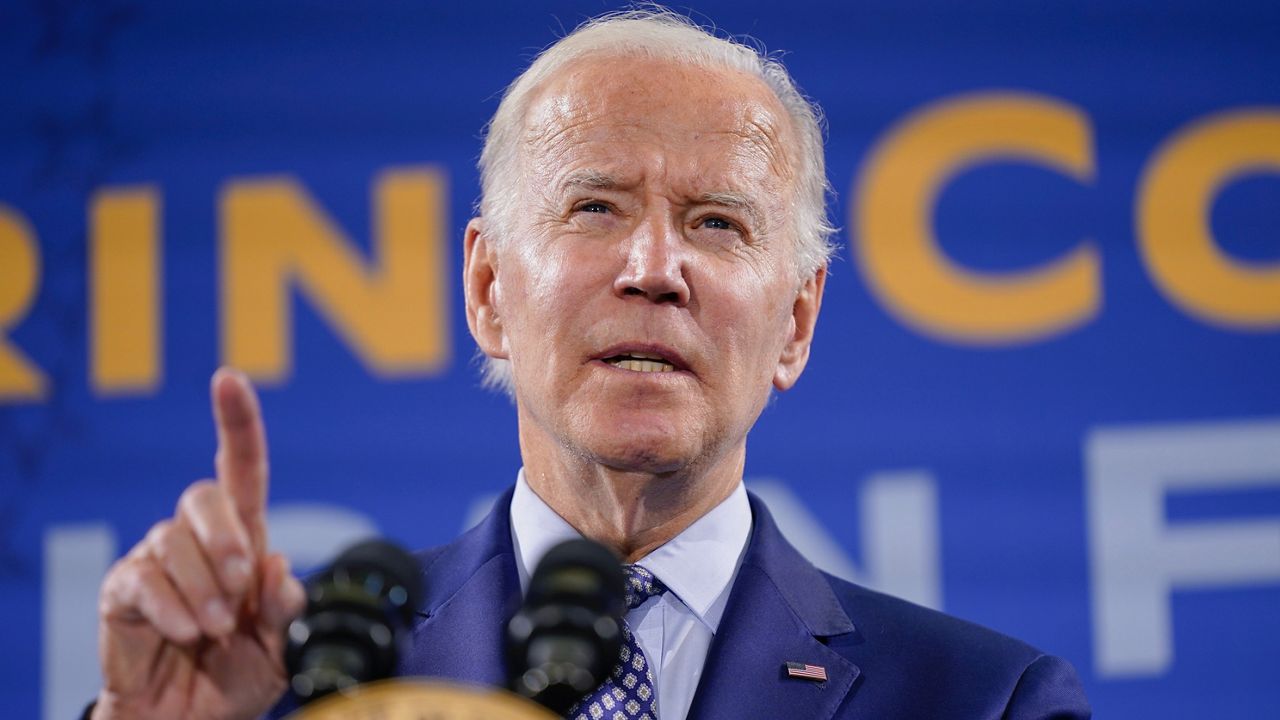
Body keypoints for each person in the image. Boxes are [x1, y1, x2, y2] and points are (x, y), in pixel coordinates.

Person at [90, 9, 1091, 720]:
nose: (654, 268)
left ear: (794, 322)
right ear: (488, 290)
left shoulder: (978, 702)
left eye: (715, 222)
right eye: (595, 208)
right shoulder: (298, 686)